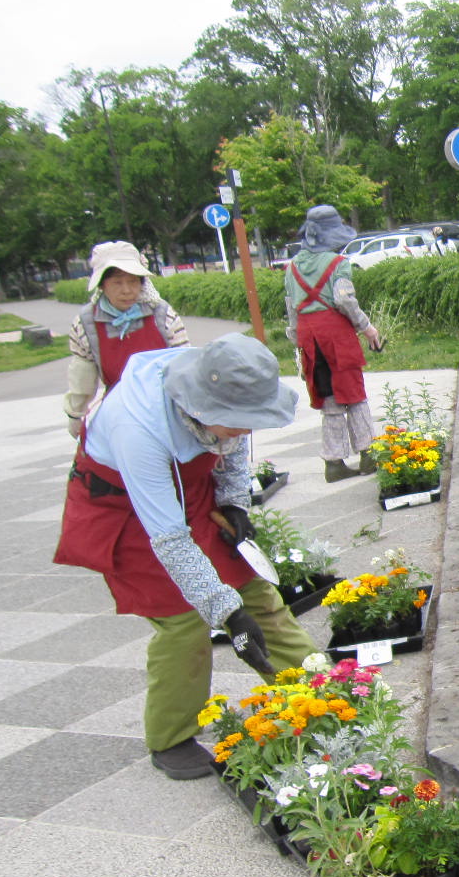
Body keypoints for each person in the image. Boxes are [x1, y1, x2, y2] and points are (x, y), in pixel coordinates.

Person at [53, 334, 319, 781]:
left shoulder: (216, 380)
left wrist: (234, 501)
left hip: (190, 487)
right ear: (204, 409)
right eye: (239, 420)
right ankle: (170, 736)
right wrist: (225, 614)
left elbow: (232, 446)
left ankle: (319, 688)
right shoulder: (135, 429)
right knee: (182, 619)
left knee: (255, 592)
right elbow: (171, 540)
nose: (247, 429)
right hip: (127, 509)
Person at [284, 205, 384, 481]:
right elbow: (343, 299)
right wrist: (367, 327)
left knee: (328, 398)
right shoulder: (337, 263)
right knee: (354, 394)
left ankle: (334, 462)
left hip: (309, 338)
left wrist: (297, 341)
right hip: (336, 336)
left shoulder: (291, 267)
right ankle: (369, 455)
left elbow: (291, 309)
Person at [63, 241, 189, 437]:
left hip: (166, 411)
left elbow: (184, 364)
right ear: (102, 285)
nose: (127, 290)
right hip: (120, 413)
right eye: (117, 282)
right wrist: (75, 415)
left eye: (133, 281)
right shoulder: (85, 324)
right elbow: (82, 376)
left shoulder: (162, 315)